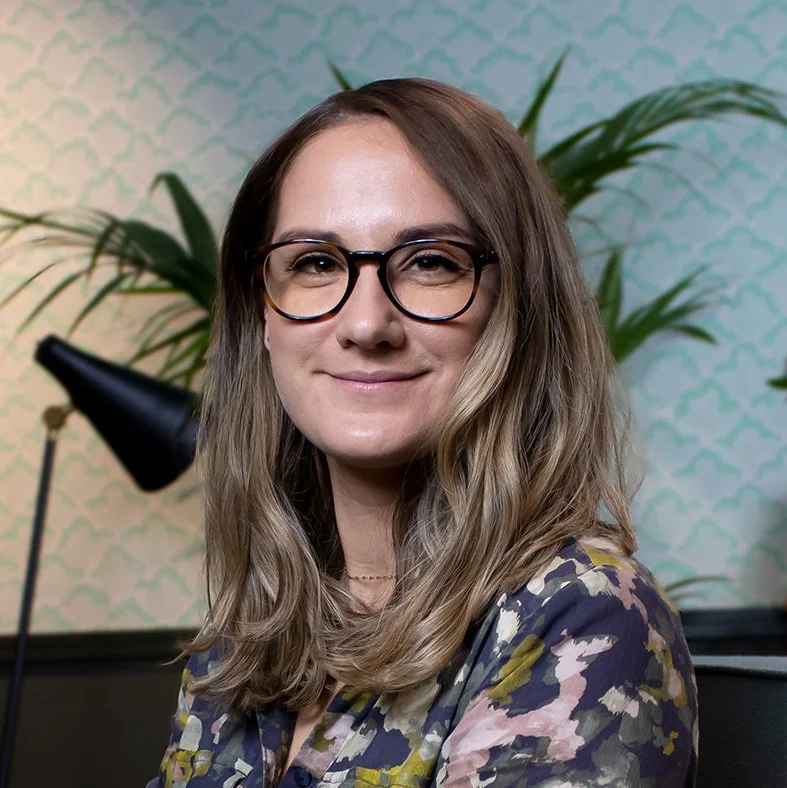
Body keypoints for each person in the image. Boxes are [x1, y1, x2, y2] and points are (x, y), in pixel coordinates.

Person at [147, 77, 698, 787]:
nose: (367, 324)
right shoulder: (244, 638)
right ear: (263, 316)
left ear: (518, 306)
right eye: (315, 263)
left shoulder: (584, 613)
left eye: (431, 263)